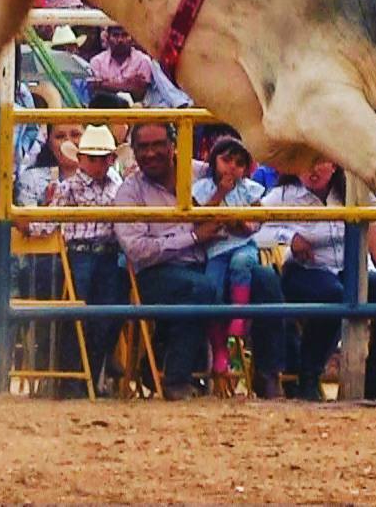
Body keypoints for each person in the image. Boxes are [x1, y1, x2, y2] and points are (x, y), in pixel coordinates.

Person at [114, 122, 284, 400]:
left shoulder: (202, 171)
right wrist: (194, 236)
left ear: (172, 146)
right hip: (159, 272)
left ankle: (268, 376)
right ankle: (176, 379)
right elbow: (138, 250)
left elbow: (245, 195)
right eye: (143, 147)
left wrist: (245, 222)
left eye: (158, 145)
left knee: (265, 279)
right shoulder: (129, 193)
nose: (151, 153)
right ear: (133, 152)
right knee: (199, 288)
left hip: (216, 259)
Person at [259, 160, 376, 401]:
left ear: (334, 164)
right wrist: (290, 238)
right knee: (334, 295)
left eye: (320, 161)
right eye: (306, 163)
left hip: (350, 271)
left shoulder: (354, 191)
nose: (313, 169)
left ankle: (373, 375)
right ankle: (308, 375)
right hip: (306, 271)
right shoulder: (283, 196)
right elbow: (252, 227)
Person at [46, 124, 127, 390]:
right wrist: (30, 223)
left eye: (104, 158)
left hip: (109, 255)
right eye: (93, 158)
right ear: (80, 160)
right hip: (79, 255)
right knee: (77, 318)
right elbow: (49, 221)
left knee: (108, 317)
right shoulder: (68, 188)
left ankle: (91, 377)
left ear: (112, 159)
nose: (99, 164)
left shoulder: (118, 184)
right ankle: (76, 382)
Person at [191, 136, 263, 374]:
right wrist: (220, 193)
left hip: (242, 244)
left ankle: (239, 318)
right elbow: (199, 218)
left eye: (239, 163)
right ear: (213, 161)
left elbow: (257, 221)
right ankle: (219, 347)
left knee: (243, 263)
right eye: (227, 160)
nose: (232, 167)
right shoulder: (203, 189)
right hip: (215, 249)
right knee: (211, 288)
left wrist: (241, 223)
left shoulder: (250, 190)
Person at [88, 26, 152, 103]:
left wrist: (104, 84)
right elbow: (96, 92)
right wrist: (128, 84)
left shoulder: (143, 61)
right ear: (107, 38)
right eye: (115, 35)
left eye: (125, 35)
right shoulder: (97, 61)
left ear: (132, 38)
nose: (120, 40)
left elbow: (139, 93)